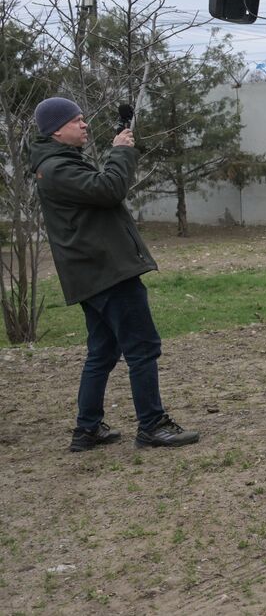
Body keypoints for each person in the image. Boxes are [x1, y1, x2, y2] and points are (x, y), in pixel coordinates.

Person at [29, 97, 200, 452]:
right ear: (56, 130)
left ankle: (87, 429)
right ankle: (153, 425)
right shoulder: (58, 168)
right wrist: (121, 152)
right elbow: (109, 190)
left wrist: (115, 152)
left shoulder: (58, 163)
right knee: (142, 347)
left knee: (103, 351)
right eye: (77, 120)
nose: (84, 124)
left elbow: (98, 191)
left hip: (93, 273)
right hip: (107, 272)